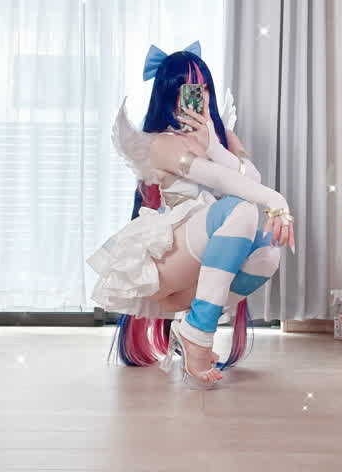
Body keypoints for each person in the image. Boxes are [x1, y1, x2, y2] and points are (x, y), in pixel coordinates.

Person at [87, 41, 295, 386]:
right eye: (185, 89)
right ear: (169, 95)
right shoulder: (162, 143)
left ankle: (193, 326)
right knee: (241, 209)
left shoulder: (222, 138)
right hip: (172, 253)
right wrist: (276, 201)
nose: (197, 96)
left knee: (268, 252)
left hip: (207, 255)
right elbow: (218, 179)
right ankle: (198, 335)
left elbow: (251, 180)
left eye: (202, 87)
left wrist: (214, 144)